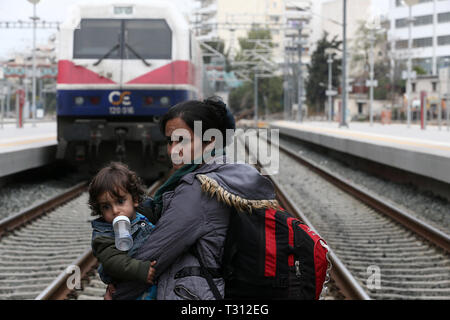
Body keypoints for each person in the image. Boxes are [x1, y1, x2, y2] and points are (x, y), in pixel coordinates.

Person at [95, 97, 278, 300]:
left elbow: (155, 256)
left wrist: (117, 293)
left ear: (210, 142)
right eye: (169, 141)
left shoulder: (197, 190)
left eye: (182, 140)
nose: (173, 150)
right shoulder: (225, 172)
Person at [88, 162, 157, 300]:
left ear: (135, 199)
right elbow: (113, 261)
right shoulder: (103, 234)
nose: (115, 211)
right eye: (106, 207)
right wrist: (141, 270)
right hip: (133, 284)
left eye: (120, 201)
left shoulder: (146, 212)